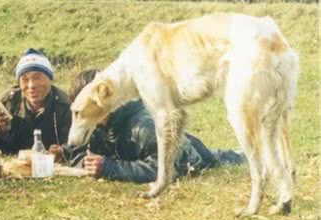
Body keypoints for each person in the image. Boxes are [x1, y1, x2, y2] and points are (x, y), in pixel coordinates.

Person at [50, 68, 246, 182]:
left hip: (190, 158)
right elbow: (84, 152)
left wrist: (110, 168)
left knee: (233, 157)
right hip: (165, 150)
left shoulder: (143, 127)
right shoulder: (95, 124)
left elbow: (165, 169)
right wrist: (66, 154)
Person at [0, 48, 72, 154]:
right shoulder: (7, 103)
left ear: (50, 79)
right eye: (25, 80)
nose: (31, 86)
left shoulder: (65, 106)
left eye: (37, 77)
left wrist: (62, 151)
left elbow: (73, 145)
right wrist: (1, 132)